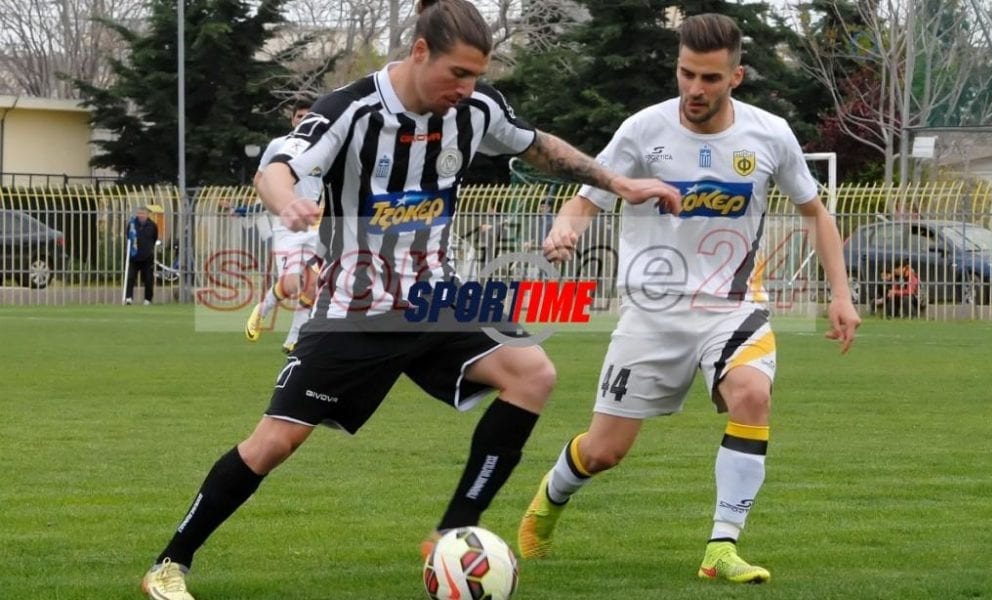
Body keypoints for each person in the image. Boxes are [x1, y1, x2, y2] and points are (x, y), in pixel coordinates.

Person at [140, 2, 681, 598]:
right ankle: (170, 564)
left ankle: (454, 532)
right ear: (420, 51)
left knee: (533, 374)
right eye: (458, 73)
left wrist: (618, 182)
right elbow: (275, 168)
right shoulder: (350, 110)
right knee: (274, 443)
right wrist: (287, 201)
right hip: (354, 311)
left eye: (477, 75)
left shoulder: (475, 109)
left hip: (435, 297)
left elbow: (540, 147)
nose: (467, 88)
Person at [516, 13, 861, 585]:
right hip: (651, 312)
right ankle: (548, 502)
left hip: (733, 305)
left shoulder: (770, 134)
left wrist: (841, 295)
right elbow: (585, 198)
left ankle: (721, 548)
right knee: (604, 452)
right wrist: (564, 230)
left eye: (710, 78)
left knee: (752, 393)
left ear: (736, 77)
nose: (695, 89)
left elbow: (815, 213)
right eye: (686, 74)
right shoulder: (642, 130)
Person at [245, 96, 317, 353]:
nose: (304, 121)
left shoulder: (326, 147)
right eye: (300, 116)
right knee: (291, 283)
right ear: (292, 119)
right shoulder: (279, 145)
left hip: (318, 223)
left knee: (313, 285)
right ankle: (261, 310)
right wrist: (278, 208)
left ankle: (294, 340)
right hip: (287, 224)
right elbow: (259, 180)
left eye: (309, 117)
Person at [124, 206, 159, 306]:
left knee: (148, 279)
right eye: (139, 213)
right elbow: (128, 236)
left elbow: (155, 238)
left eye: (143, 214)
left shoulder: (152, 226)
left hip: (147, 258)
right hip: (134, 256)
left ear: (147, 215)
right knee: (130, 277)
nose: (141, 215)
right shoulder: (132, 225)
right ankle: (128, 298)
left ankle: (148, 299)